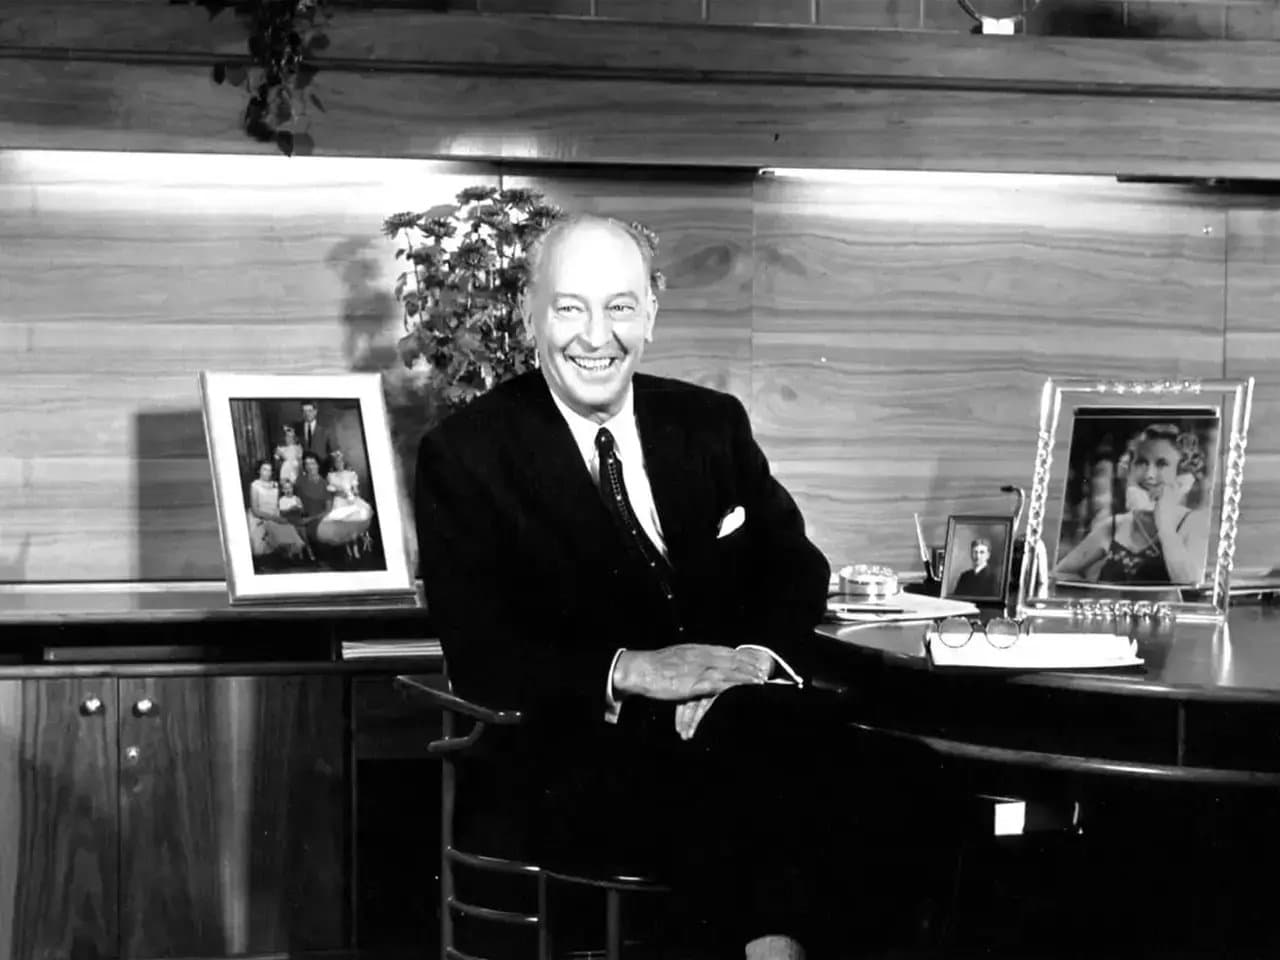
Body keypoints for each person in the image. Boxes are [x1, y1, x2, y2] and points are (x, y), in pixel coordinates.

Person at [415, 214, 954, 959]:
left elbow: (797, 567)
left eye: (621, 308)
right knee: (796, 780)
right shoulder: (466, 453)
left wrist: (753, 659)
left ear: (653, 316)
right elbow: (481, 650)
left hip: (745, 722)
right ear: (529, 314)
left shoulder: (709, 423)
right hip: (580, 756)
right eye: (570, 307)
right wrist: (636, 670)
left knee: (913, 776)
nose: (595, 336)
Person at [1053, 423, 1211, 585]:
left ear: (1183, 475)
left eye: (1162, 464)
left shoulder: (1194, 523)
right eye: (1141, 462)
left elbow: (1191, 585)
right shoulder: (1114, 526)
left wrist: (1165, 527)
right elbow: (1059, 574)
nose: (1149, 475)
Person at [315, 449, 374, 558]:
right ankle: (348, 550)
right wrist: (339, 492)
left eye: (340, 462)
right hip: (339, 501)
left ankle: (356, 549)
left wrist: (354, 492)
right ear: (334, 464)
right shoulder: (331, 476)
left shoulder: (351, 474)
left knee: (353, 523)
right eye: (337, 462)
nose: (339, 464)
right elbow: (331, 490)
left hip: (351, 499)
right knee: (343, 524)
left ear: (343, 462)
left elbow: (355, 488)